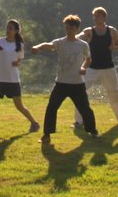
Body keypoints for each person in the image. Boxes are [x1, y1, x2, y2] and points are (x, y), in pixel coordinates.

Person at [31, 14, 98, 143]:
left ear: (77, 29)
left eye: (71, 28)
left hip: (77, 84)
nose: (68, 30)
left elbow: (88, 59)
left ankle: (93, 131)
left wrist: (84, 67)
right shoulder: (60, 42)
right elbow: (49, 45)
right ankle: (47, 135)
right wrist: (38, 47)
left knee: (85, 109)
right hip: (61, 83)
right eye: (67, 28)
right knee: (52, 107)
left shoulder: (82, 45)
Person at [75, 6, 118, 127]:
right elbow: (80, 36)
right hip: (92, 67)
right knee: (80, 91)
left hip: (108, 67)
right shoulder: (89, 30)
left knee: (114, 92)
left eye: (98, 16)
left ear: (104, 17)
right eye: (94, 16)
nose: (95, 18)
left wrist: (113, 47)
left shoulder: (112, 31)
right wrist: (76, 37)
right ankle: (79, 120)